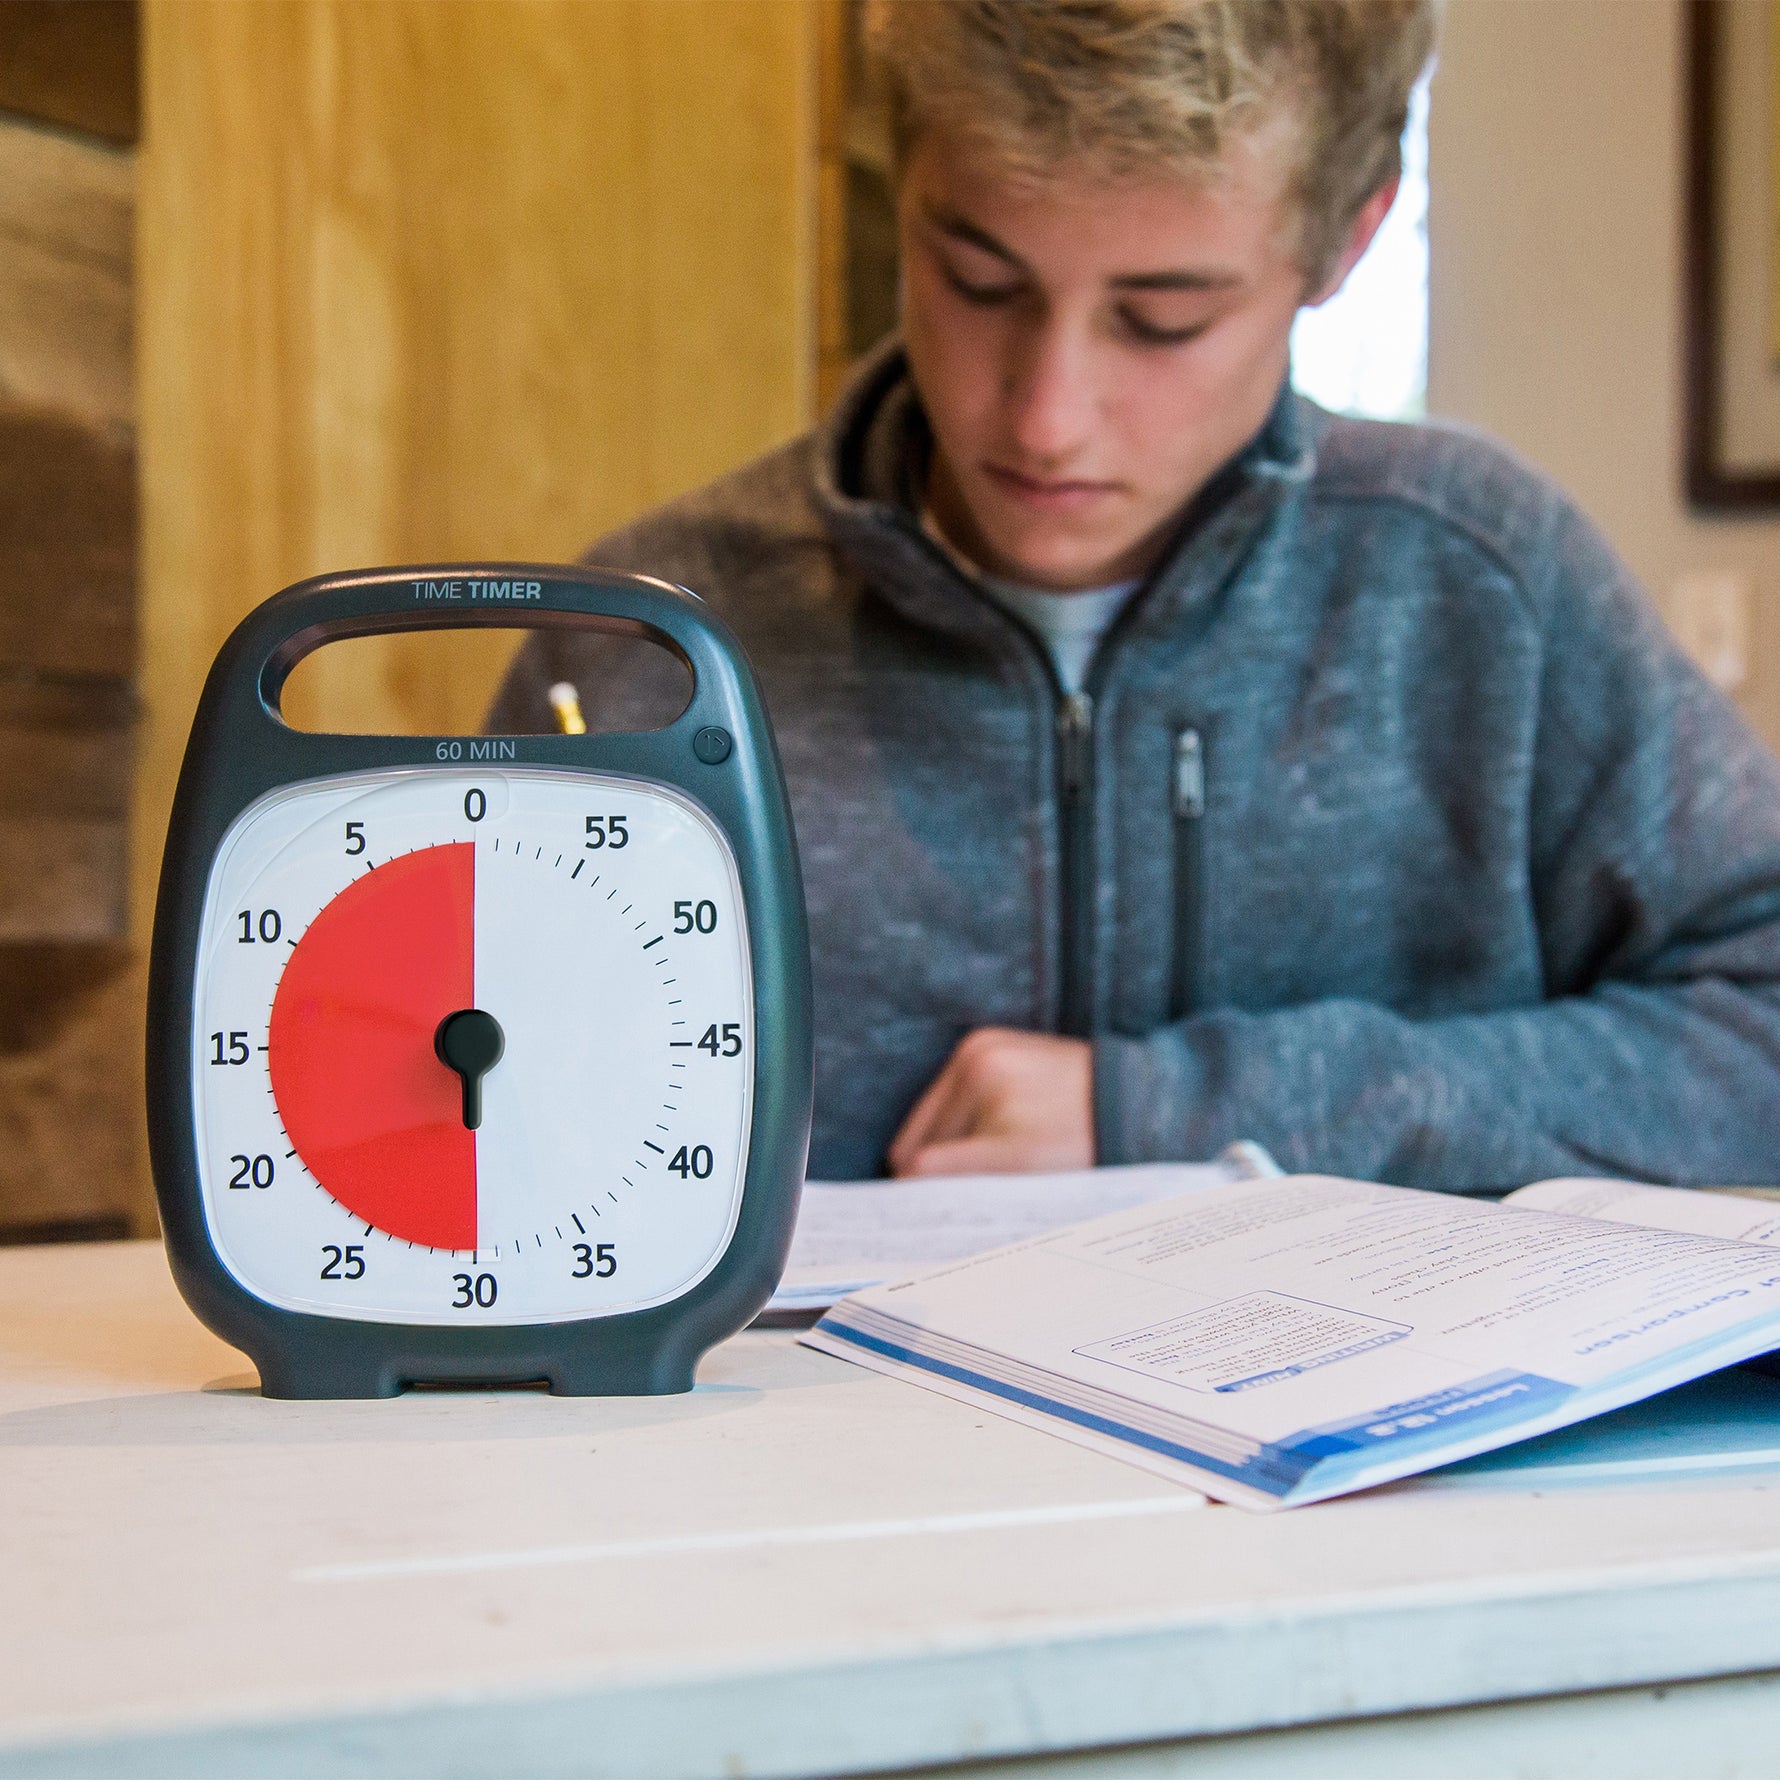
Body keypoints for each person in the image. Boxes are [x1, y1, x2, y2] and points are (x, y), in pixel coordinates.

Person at [491, 0, 1780, 1191]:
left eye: (1165, 318)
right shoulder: (640, 650)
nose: (1047, 419)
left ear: (1348, 237)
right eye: (978, 280)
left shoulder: (1488, 588)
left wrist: (1186, 1112)